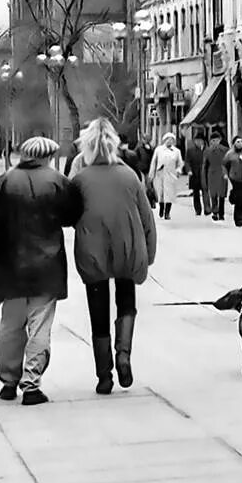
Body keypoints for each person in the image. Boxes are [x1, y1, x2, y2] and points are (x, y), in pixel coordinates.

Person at [0, 136, 80, 406]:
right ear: (48, 156)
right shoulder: (59, 184)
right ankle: (31, 384)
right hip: (47, 266)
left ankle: (8, 381)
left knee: (11, 325)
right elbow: (72, 216)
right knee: (40, 326)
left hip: (9, 265)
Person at [69, 118, 156, 395]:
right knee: (126, 300)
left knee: (98, 311)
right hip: (127, 249)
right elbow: (147, 220)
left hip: (92, 252)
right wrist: (148, 254)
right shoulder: (129, 175)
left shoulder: (80, 180)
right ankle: (124, 354)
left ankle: (104, 375)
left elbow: (68, 216)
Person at [148, 133, 185, 220]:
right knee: (160, 193)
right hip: (160, 173)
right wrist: (151, 174)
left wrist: (178, 171)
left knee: (169, 194)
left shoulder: (176, 151)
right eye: (168, 139)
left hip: (171, 174)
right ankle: (161, 208)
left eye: (172, 139)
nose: (170, 141)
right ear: (164, 140)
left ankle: (167, 213)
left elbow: (180, 163)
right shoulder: (159, 150)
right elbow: (154, 162)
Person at [203, 132, 229, 222]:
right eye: (213, 141)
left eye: (217, 140)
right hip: (212, 173)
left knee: (221, 194)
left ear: (220, 140)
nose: (215, 142)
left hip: (222, 172)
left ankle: (221, 213)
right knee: (213, 194)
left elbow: (228, 162)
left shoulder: (225, 150)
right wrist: (204, 176)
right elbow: (205, 165)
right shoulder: (207, 151)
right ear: (211, 141)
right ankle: (215, 212)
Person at [184, 133, 208, 217]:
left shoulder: (207, 150)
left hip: (205, 174)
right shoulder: (190, 150)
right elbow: (187, 162)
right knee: (196, 193)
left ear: (203, 141)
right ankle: (198, 210)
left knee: (206, 192)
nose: (198, 142)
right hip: (194, 174)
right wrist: (189, 170)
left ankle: (207, 209)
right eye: (196, 141)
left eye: (200, 140)